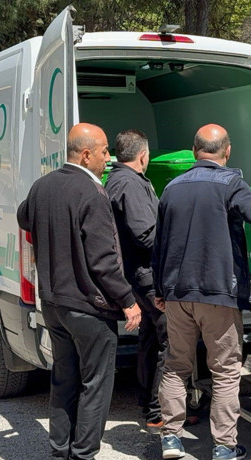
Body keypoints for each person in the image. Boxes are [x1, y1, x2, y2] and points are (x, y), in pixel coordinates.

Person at [152, 124, 251, 460]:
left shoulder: (171, 188)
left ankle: (171, 437)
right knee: (226, 370)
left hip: (177, 292)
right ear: (227, 151)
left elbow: (159, 245)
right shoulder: (231, 183)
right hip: (218, 292)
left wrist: (159, 289)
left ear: (194, 150)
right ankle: (224, 447)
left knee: (176, 365)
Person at [17, 123, 141, 460]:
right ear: (85, 154)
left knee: (64, 380)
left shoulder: (42, 186)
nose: (109, 158)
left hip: (54, 303)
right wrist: (128, 301)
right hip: (88, 306)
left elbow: (24, 216)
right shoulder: (92, 193)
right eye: (104, 152)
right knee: (96, 384)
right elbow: (103, 261)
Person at [104, 129, 167, 434]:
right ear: (143, 156)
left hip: (134, 275)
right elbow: (146, 235)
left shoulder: (115, 180)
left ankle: (148, 404)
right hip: (147, 275)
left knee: (150, 338)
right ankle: (159, 412)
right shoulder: (130, 183)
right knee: (169, 341)